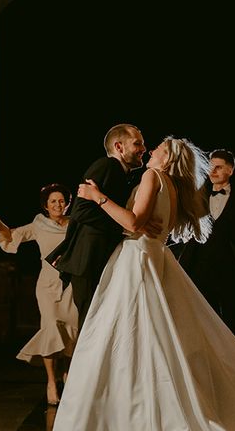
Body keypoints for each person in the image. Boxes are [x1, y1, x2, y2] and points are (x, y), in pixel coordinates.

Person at [45, 136, 235, 431]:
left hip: (137, 262)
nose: (150, 151)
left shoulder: (152, 176)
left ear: (166, 159)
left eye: (156, 149)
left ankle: (130, 422)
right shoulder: (171, 184)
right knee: (154, 340)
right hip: (155, 258)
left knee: (126, 339)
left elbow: (133, 222)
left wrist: (97, 197)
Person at [46, 124, 159, 328]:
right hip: (89, 259)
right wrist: (128, 225)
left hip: (98, 258)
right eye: (137, 144)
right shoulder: (106, 166)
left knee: (100, 325)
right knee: (91, 324)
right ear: (119, 146)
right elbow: (81, 211)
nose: (143, 148)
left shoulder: (122, 173)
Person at [0, 183, 78, 406]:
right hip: (47, 286)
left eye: (61, 201)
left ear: (68, 204)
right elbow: (11, 236)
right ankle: (50, 381)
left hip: (71, 286)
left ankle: (67, 375)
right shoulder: (39, 225)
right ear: (45, 206)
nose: (57, 205)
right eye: (53, 201)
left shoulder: (76, 225)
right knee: (50, 328)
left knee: (72, 331)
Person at [173, 148, 235, 344]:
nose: (213, 171)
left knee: (233, 317)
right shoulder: (195, 195)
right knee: (200, 315)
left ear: (231, 171)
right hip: (199, 264)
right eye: (210, 167)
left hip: (232, 265)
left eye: (218, 167)